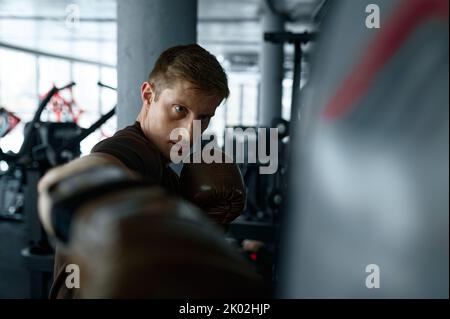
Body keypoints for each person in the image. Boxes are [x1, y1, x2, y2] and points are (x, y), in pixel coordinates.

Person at [38, 44, 255, 298]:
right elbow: (92, 169)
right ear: (149, 95)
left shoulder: (166, 175)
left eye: (203, 118)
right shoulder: (127, 148)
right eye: (179, 110)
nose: (189, 131)